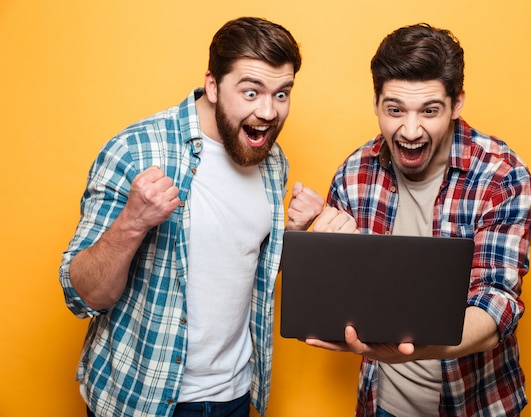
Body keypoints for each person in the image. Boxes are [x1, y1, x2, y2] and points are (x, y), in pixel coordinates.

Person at [59, 17, 330, 417]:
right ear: (213, 85)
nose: (269, 111)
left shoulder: (273, 163)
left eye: (282, 93)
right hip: (143, 398)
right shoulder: (136, 150)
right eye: (251, 92)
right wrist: (133, 221)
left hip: (235, 395)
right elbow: (82, 297)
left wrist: (294, 234)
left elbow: (247, 270)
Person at [306, 23, 531, 416]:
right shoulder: (353, 173)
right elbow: (340, 293)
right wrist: (310, 242)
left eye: (429, 111)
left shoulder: (503, 176)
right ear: (376, 102)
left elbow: (497, 300)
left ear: (457, 103)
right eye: (395, 110)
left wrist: (416, 349)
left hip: (474, 404)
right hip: (380, 405)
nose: (410, 131)